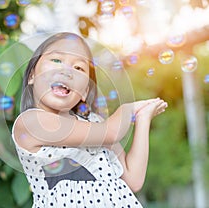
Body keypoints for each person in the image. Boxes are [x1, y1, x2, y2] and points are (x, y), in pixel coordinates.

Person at [12, 32, 168, 207]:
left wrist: (143, 118)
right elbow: (110, 133)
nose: (66, 72)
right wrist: (127, 109)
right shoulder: (30, 122)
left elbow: (133, 179)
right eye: (56, 60)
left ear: (85, 91)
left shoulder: (94, 123)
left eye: (78, 68)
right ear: (32, 75)